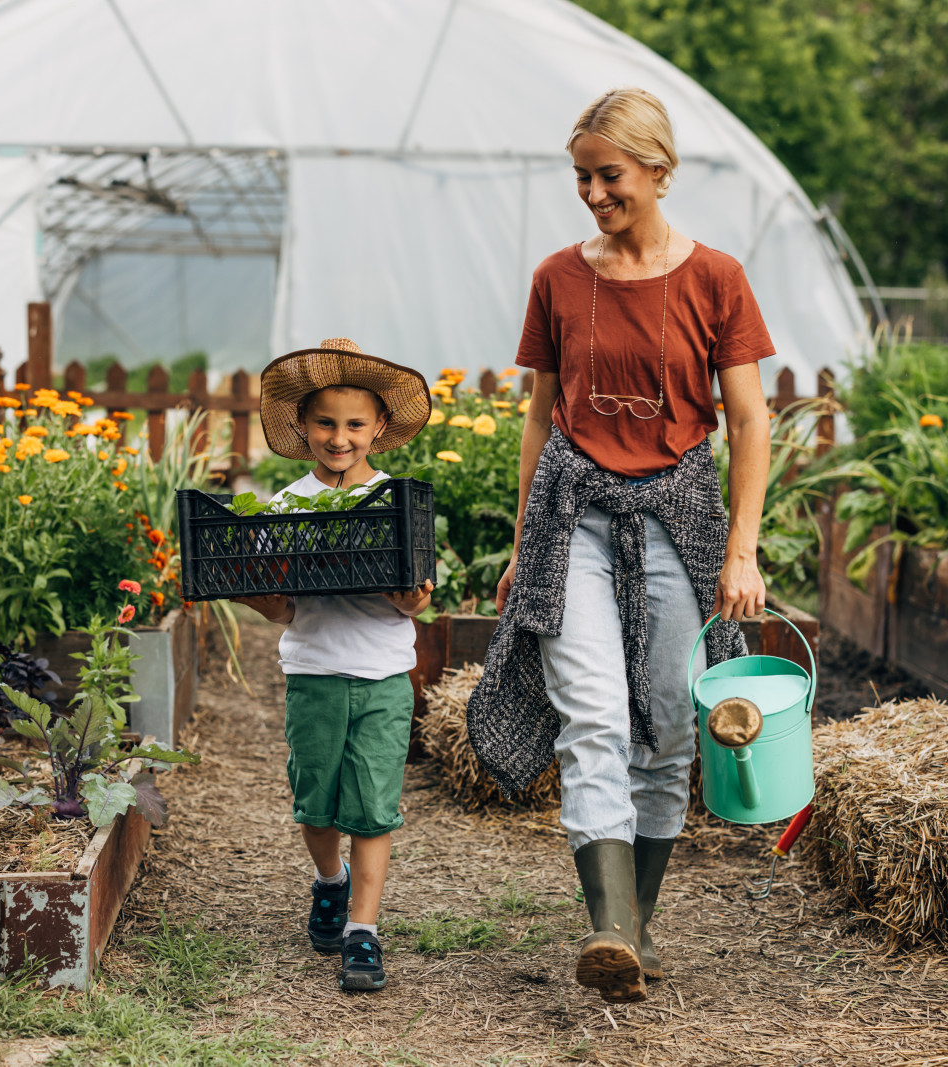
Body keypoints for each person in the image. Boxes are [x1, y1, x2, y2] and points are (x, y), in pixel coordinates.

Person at [467, 88, 774, 1004]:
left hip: (679, 518)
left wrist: (742, 550)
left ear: (658, 172)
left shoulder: (715, 278)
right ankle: (607, 927)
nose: (593, 194)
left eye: (609, 176)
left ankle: (633, 928)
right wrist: (527, 539)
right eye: (582, 177)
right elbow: (538, 418)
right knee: (594, 714)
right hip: (574, 517)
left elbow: (750, 421)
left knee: (672, 728)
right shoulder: (559, 277)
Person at [234, 337, 435, 993]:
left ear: (379, 425)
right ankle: (330, 881)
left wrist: (412, 595)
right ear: (302, 426)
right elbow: (281, 609)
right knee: (315, 803)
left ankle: (362, 930)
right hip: (313, 672)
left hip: (383, 676)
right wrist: (245, 585)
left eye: (354, 424)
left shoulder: (397, 505)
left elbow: (417, 598)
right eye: (326, 422)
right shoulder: (287, 508)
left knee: (374, 808)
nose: (340, 437)